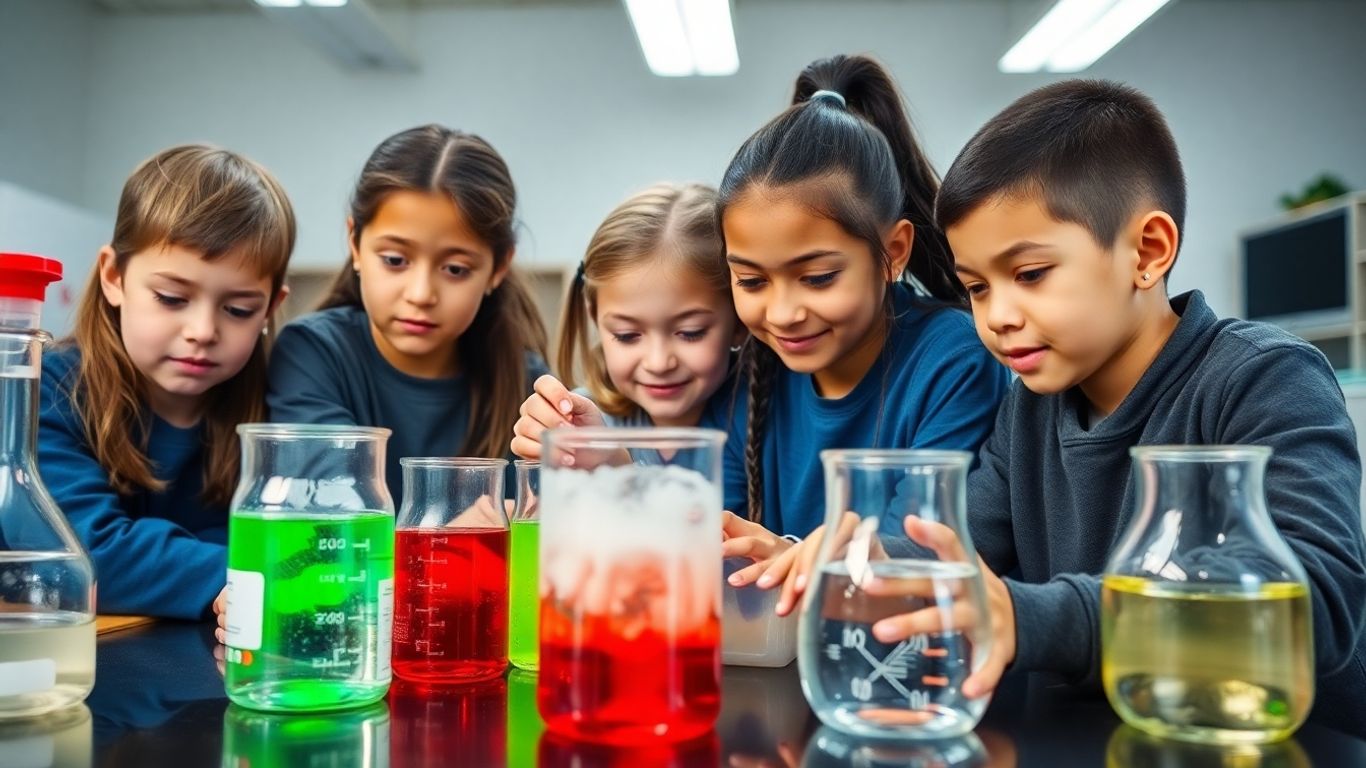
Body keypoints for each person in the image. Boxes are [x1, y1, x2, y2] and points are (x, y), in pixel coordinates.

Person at [714, 54, 1008, 584]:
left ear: (893, 252)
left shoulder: (953, 359)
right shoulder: (751, 369)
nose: (782, 313)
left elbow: (908, 557)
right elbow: (723, 553)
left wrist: (783, 554)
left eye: (819, 277)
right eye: (752, 281)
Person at [40, 144, 294, 619]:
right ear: (114, 276)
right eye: (172, 298)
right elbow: (83, 555)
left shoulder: (276, 405)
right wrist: (242, 572)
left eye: (238, 310)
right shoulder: (50, 390)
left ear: (270, 308)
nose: (203, 331)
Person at [268, 124, 548, 500]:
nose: (421, 294)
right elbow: (338, 511)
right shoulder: (312, 353)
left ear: (498, 268)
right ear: (355, 243)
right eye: (395, 260)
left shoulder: (526, 384)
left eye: (455, 269)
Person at [510, 183, 742, 462]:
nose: (658, 363)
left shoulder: (766, 423)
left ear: (739, 320)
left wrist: (615, 467)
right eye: (627, 335)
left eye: (690, 333)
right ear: (595, 317)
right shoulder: (581, 424)